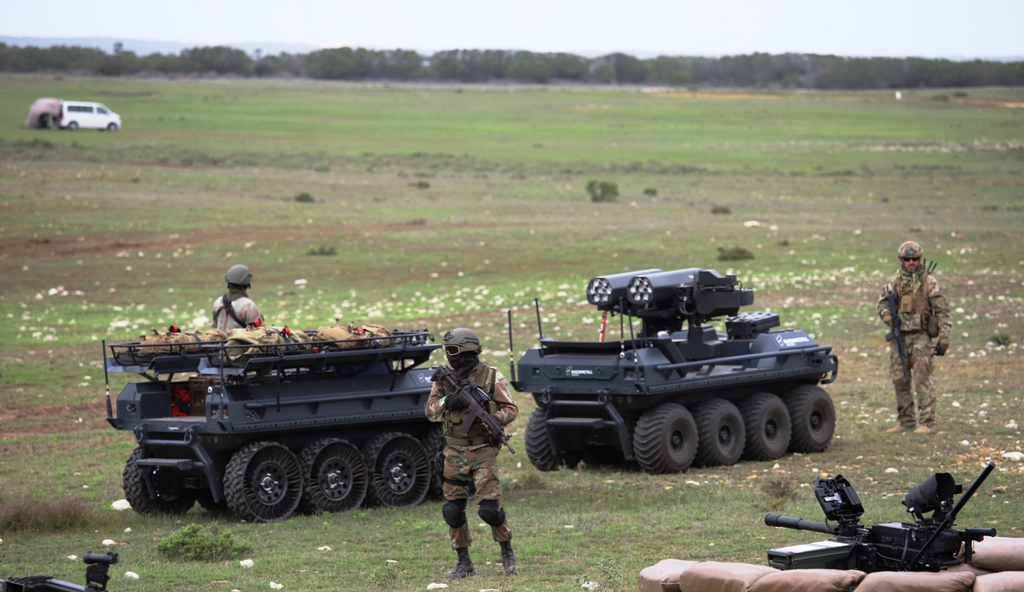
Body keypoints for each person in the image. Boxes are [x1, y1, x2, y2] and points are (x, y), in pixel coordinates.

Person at [425, 328, 519, 578]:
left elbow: (511, 409)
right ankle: (464, 563)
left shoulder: (491, 376)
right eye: (448, 351)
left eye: (452, 350)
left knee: (489, 509)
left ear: (466, 350)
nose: (449, 356)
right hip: (453, 451)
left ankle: (507, 553)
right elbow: (430, 411)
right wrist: (447, 402)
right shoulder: (443, 379)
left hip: (483, 451)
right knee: (452, 511)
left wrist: (496, 419)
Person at [876, 241, 951, 435]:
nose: (911, 262)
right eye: (907, 259)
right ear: (901, 259)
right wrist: (888, 317)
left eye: (915, 259)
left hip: (921, 337)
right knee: (900, 379)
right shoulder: (894, 282)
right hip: (899, 337)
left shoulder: (929, 282)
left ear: (919, 259)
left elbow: (942, 310)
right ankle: (906, 421)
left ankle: (927, 422)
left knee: (922, 380)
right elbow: (882, 304)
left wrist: (944, 336)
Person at [211, 264, 264, 332]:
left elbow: (214, 327)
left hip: (220, 339)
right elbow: (258, 331)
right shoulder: (248, 305)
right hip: (239, 339)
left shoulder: (218, 302)